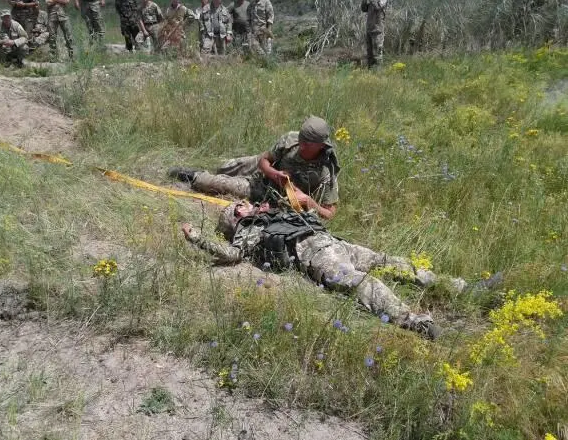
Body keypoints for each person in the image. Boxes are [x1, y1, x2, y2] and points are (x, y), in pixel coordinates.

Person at [181, 200, 449, 339]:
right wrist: (196, 238)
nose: (247, 203)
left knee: (392, 262)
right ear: (237, 216)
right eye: (240, 205)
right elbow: (232, 254)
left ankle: (454, 285)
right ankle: (416, 323)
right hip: (315, 254)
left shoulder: (271, 213)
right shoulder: (249, 230)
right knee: (362, 283)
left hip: (332, 242)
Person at [169, 116, 341, 220]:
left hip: (269, 194)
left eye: (307, 143)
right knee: (225, 166)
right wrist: (274, 174)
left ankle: (194, 176)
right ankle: (215, 166)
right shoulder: (291, 140)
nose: (301, 145)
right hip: (265, 174)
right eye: (301, 140)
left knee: (220, 184)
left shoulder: (326, 169)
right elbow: (263, 161)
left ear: (320, 145)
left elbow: (330, 214)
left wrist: (308, 202)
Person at [361, 0, 386, 68]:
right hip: (369, 29)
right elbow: (363, 9)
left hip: (377, 31)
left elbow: (377, 7)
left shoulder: (383, 0)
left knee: (377, 54)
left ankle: (378, 73)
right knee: (369, 53)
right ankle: (370, 72)